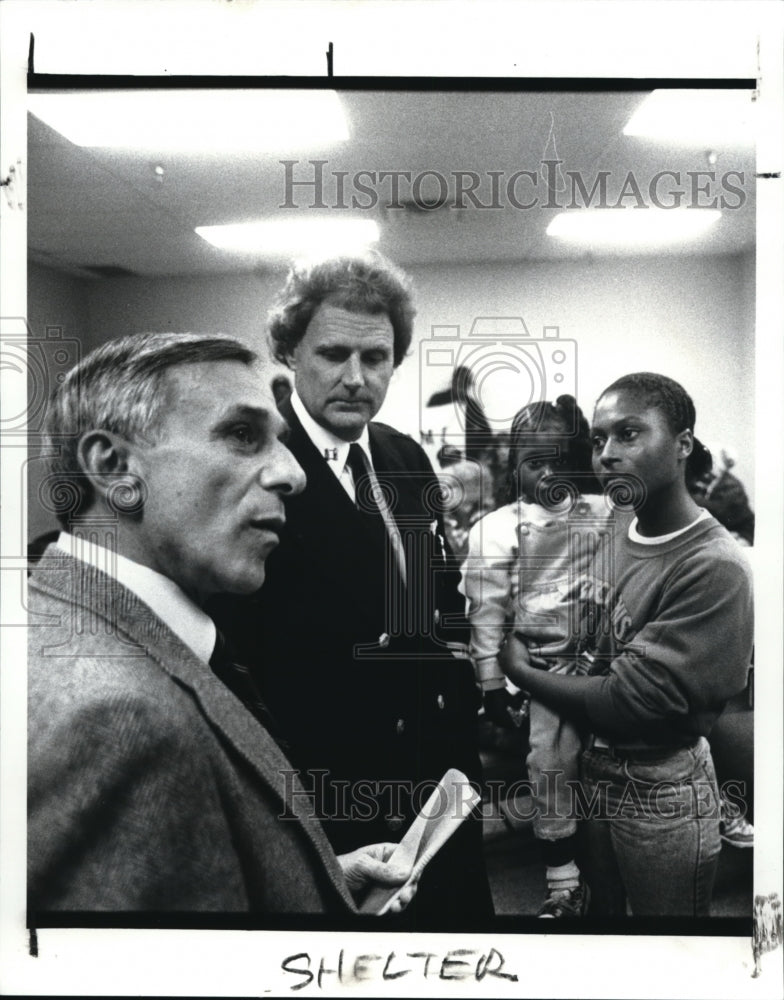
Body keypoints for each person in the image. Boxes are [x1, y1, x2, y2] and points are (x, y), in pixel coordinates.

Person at [27, 331, 416, 916]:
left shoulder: (63, 625)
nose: (292, 474)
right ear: (114, 467)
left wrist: (315, 886)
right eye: (242, 435)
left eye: (279, 442)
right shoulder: (116, 719)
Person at [210, 252, 493, 926]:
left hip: (437, 780)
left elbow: (436, 591)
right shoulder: (251, 467)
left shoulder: (403, 456)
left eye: (377, 358)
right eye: (334, 354)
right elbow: (233, 660)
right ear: (287, 350)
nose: (356, 378)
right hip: (330, 797)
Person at [504, 372, 754, 916]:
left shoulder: (715, 566)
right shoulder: (619, 523)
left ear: (683, 444)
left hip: (659, 789)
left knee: (669, 954)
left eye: (629, 434)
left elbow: (626, 702)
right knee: (607, 922)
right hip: (596, 770)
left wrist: (519, 669)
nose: (608, 455)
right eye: (598, 440)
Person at [462, 395, 608, 917]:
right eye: (533, 462)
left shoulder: (603, 512)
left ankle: (702, 810)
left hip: (606, 658)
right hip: (543, 669)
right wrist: (491, 684)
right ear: (513, 467)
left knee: (634, 749)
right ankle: (562, 879)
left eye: (558, 460)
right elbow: (486, 612)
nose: (548, 473)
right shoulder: (496, 529)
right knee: (551, 761)